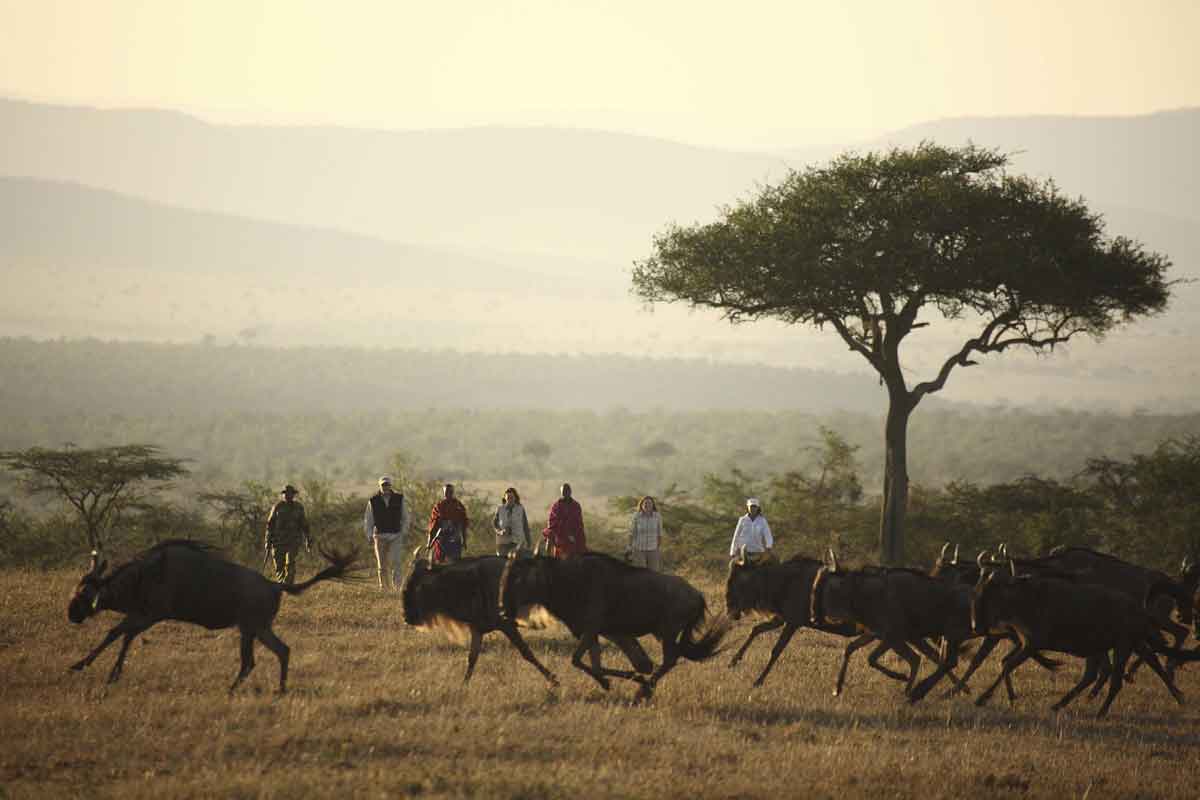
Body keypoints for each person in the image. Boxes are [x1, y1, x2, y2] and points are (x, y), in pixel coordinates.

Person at [364, 475, 409, 590]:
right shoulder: (373, 501)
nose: (386, 487)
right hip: (379, 536)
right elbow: (369, 519)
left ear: (391, 485)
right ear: (380, 486)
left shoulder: (399, 498)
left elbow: (405, 517)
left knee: (396, 562)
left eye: (387, 484)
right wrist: (369, 535)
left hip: (396, 535)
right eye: (383, 485)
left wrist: (403, 532)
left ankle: (397, 587)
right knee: (382, 565)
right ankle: (383, 587)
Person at [264, 484, 311, 585]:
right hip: (278, 543)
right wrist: (267, 542)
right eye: (285, 493)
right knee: (279, 569)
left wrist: (308, 540)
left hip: (292, 542)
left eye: (289, 493)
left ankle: (288, 585)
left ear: (293, 495)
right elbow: (269, 526)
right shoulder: (277, 507)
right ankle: (283, 587)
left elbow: (304, 525)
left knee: (289, 564)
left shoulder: (299, 507)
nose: (286, 495)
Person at [542, 482, 587, 558]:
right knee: (549, 537)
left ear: (570, 492)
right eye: (563, 492)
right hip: (559, 531)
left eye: (567, 492)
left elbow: (578, 522)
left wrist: (573, 533)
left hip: (573, 531)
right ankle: (548, 558)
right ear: (561, 493)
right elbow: (552, 520)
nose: (565, 494)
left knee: (582, 547)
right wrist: (563, 531)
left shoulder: (576, 505)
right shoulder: (556, 505)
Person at [427, 483, 469, 563]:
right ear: (444, 493)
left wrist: (464, 541)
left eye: (450, 492)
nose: (448, 494)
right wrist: (429, 542)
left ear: (453, 493)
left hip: (455, 538)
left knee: (455, 562)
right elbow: (433, 525)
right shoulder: (439, 506)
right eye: (446, 492)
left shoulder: (458, 506)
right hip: (441, 539)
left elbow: (463, 524)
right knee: (440, 562)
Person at [627, 495, 663, 571]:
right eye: (645, 503)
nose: (647, 505)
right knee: (641, 573)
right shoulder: (636, 516)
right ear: (641, 505)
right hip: (639, 549)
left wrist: (658, 548)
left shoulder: (657, 516)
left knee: (654, 573)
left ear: (653, 505)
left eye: (650, 503)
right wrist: (629, 547)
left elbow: (660, 534)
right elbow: (631, 533)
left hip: (653, 549)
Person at [492, 487, 531, 557]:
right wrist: (500, 531)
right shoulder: (500, 509)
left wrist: (529, 541)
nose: (510, 500)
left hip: (517, 541)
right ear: (505, 498)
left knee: (517, 563)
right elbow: (494, 524)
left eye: (512, 497)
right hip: (503, 543)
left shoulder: (520, 509)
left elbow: (525, 525)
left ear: (515, 498)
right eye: (508, 498)